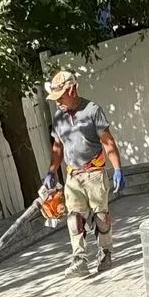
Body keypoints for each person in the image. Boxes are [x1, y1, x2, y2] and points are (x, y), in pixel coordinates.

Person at [43, 69, 123, 278]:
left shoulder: (92, 110)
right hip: (73, 176)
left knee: (101, 218)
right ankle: (79, 259)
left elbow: (108, 142)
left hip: (94, 172)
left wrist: (117, 170)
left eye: (60, 97)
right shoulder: (59, 117)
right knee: (74, 217)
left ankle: (105, 253)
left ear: (72, 89)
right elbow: (57, 148)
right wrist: (52, 171)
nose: (57, 102)